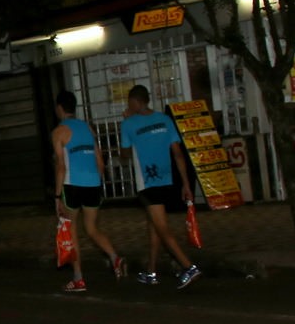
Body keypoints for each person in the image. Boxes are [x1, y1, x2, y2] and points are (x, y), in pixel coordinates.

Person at [119, 84, 203, 289]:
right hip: (166, 180)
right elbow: (178, 154)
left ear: (135, 102)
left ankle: (188, 267)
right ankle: (151, 271)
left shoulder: (129, 124)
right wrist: (185, 184)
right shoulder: (165, 120)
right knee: (154, 225)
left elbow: (125, 154)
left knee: (162, 228)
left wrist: (127, 123)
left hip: (147, 182)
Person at [52, 89, 124, 294]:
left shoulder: (59, 132)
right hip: (92, 184)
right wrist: (98, 182)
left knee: (72, 230)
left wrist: (57, 196)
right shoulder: (88, 128)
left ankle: (78, 279)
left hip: (72, 185)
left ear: (59, 108)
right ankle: (114, 257)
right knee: (92, 229)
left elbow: (60, 166)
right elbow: (100, 161)